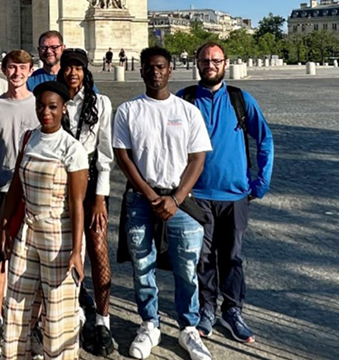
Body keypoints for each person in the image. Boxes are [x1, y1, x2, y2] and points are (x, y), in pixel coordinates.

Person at [112, 47, 213, 360]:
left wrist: (176, 198)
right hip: (142, 198)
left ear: (171, 70)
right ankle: (149, 323)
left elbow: (198, 159)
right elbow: (122, 156)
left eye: (160, 67)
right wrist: (151, 194)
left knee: (187, 269)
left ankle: (189, 328)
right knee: (143, 266)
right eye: (149, 67)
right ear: (140, 71)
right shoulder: (128, 110)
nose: (155, 72)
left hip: (180, 199)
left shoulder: (187, 111)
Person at [182, 42, 274, 343]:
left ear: (225, 63)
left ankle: (232, 310)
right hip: (197, 195)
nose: (210, 64)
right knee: (202, 258)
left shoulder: (240, 99)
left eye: (215, 60)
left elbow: (265, 140)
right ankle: (207, 308)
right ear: (196, 63)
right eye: (205, 59)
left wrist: (261, 183)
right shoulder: (185, 99)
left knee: (232, 258)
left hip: (234, 195)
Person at [0, 81, 88, 360]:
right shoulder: (29, 138)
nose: (45, 112)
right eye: (41, 106)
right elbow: (16, 184)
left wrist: (76, 252)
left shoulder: (72, 149)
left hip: (59, 233)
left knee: (57, 308)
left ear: (63, 109)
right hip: (28, 228)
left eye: (52, 107)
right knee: (15, 299)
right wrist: (4, 224)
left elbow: (76, 204)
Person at [0, 49, 40, 356]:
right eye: (11, 67)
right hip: (1, 189)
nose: (16, 72)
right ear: (3, 70)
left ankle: (31, 322)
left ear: (31, 71)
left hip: (33, 190)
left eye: (22, 67)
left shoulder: (40, 105)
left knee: (33, 259)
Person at [58, 48, 114, 356]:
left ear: (85, 70)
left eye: (78, 67)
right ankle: (75, 313)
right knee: (68, 248)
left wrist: (100, 198)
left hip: (91, 183)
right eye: (68, 67)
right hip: (61, 183)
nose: (73, 73)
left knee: (97, 248)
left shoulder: (101, 103)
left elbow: (105, 153)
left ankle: (103, 321)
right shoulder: (53, 99)